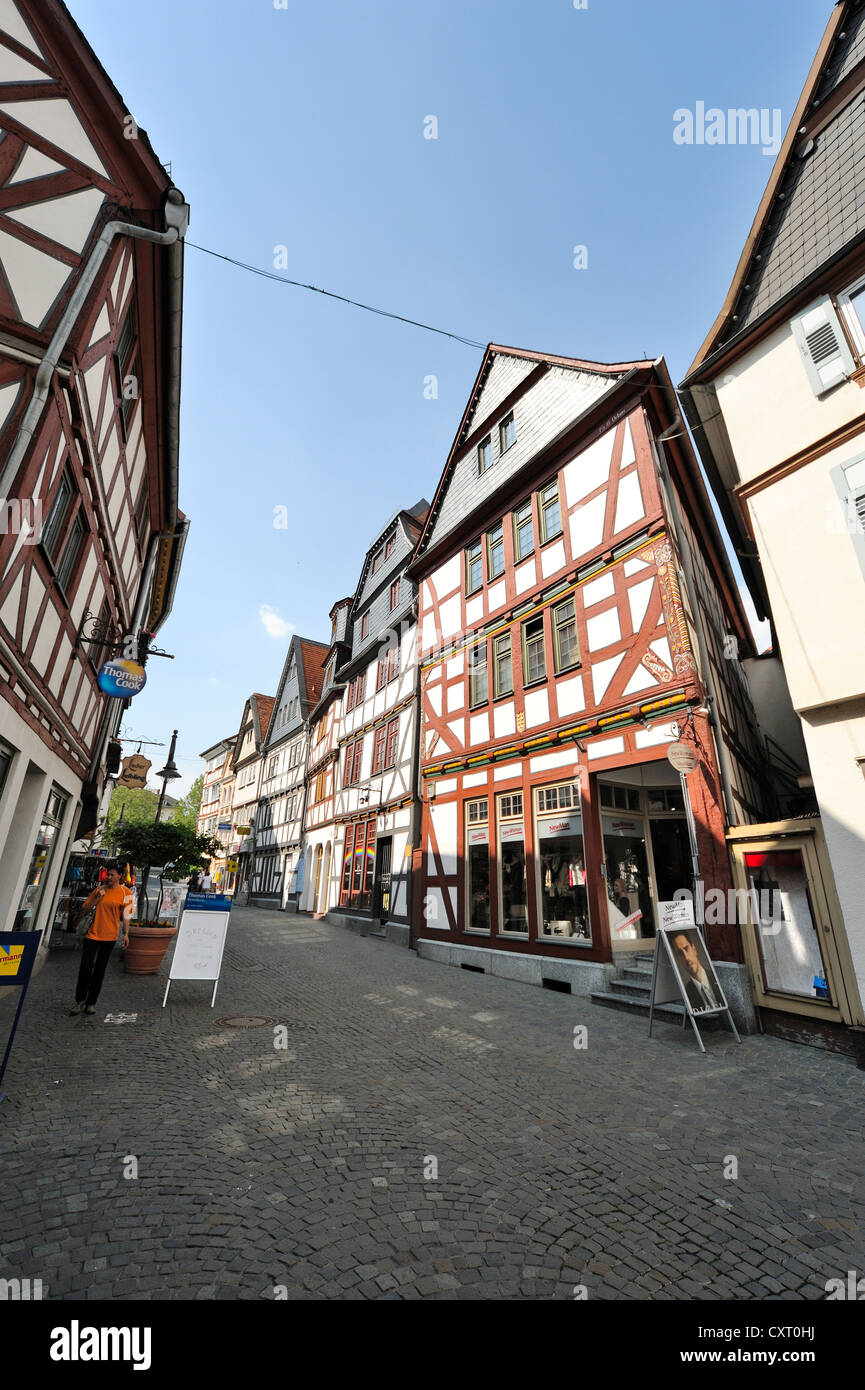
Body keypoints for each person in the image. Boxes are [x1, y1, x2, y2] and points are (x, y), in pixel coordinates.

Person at [70, 864, 133, 1016]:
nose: (108, 877)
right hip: (92, 934)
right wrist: (98, 898)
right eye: (108, 875)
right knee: (85, 968)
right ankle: (79, 1001)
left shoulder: (126, 892)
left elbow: (127, 915)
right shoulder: (99, 890)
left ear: (120, 876)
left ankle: (91, 1003)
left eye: (112, 875)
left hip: (109, 936)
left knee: (100, 970)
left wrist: (125, 934)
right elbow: (85, 910)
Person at [670, 930, 722, 1012]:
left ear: (694, 949)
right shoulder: (686, 994)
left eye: (686, 948)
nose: (686, 957)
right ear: (677, 959)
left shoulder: (718, 977)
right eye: (680, 953)